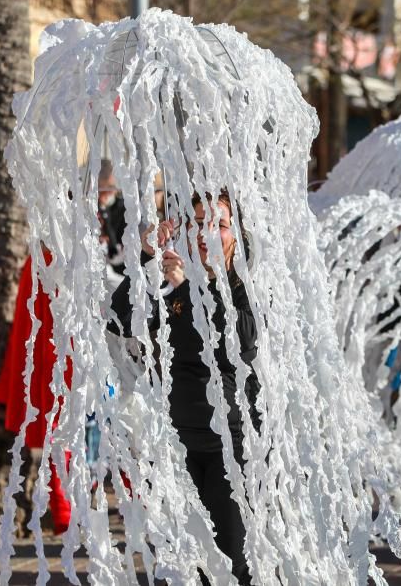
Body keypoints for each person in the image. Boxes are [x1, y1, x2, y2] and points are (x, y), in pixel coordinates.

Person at [108, 192, 259, 585]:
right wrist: (144, 260)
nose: (204, 231)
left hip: (230, 446)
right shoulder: (173, 283)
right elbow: (119, 320)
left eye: (218, 223)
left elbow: (239, 338)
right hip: (177, 445)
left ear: (235, 235)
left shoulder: (244, 285)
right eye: (193, 222)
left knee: (229, 564)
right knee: (183, 563)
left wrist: (193, 288)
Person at [0, 251, 74, 533]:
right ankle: (65, 513)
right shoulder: (48, 253)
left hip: (62, 351)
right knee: (60, 429)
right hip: (56, 353)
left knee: (66, 430)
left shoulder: (46, 253)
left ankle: (68, 511)